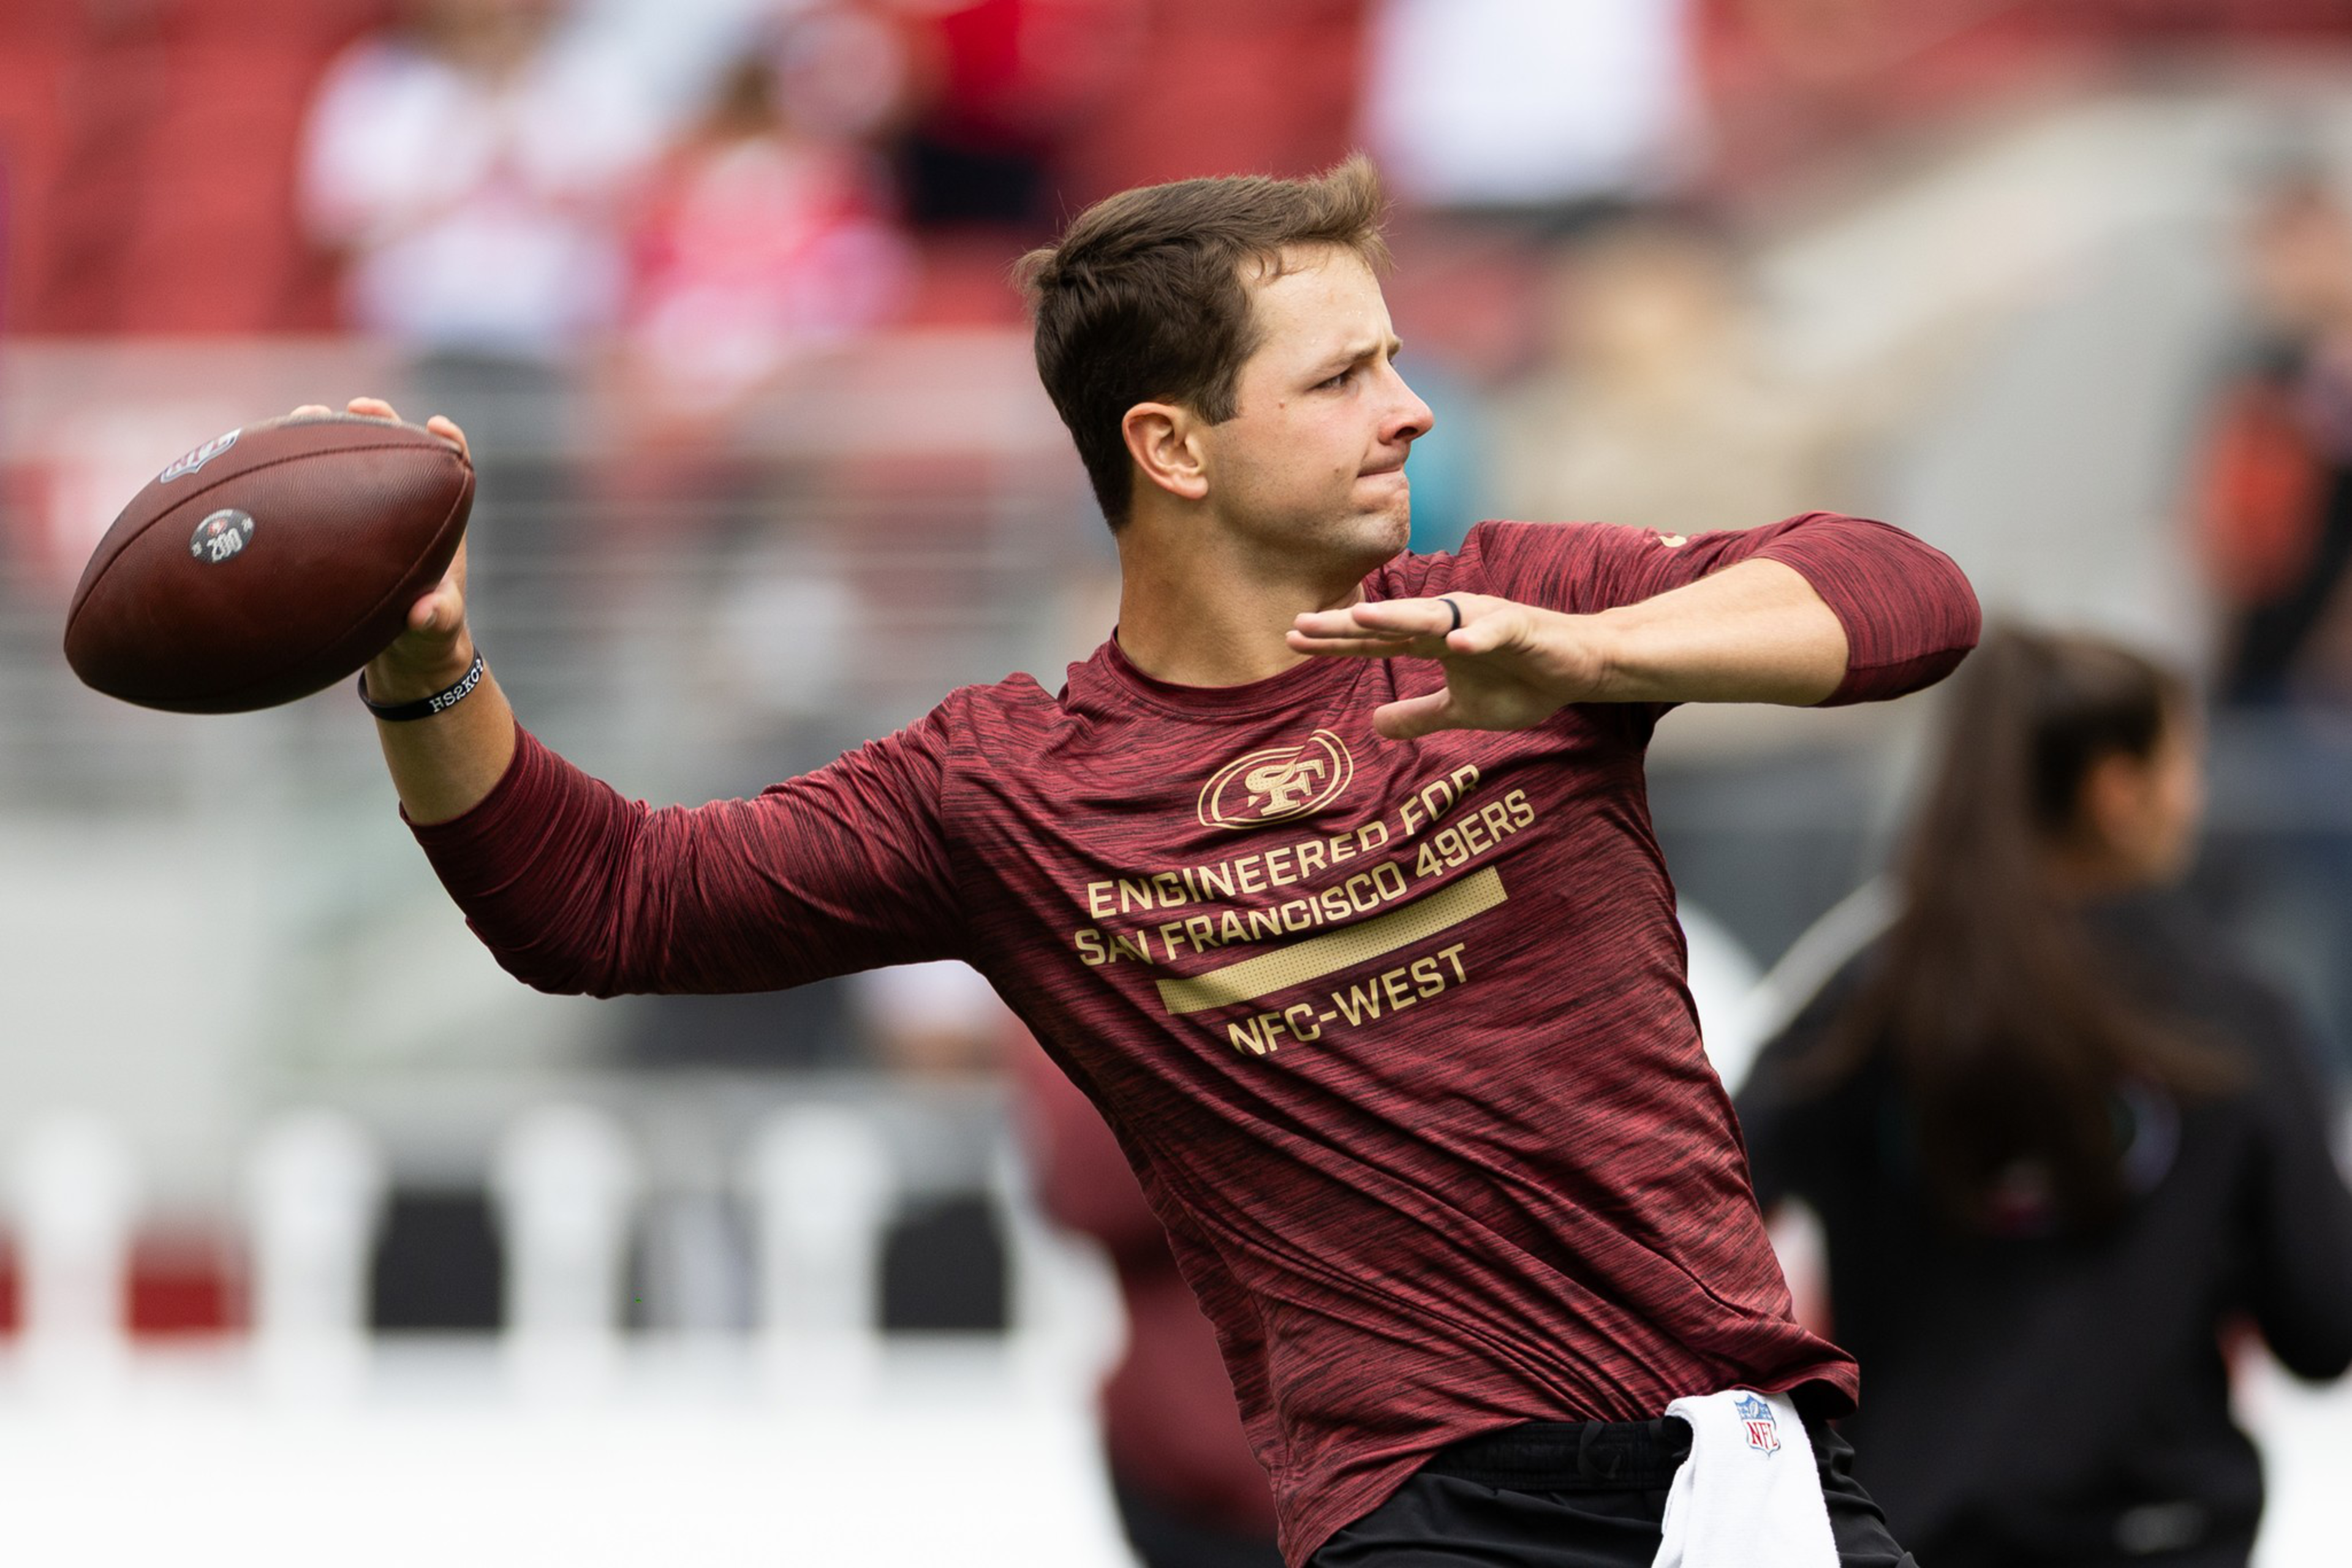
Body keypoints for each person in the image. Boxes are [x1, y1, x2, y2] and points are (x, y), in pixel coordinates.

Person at [320, 156, 1979, 1566]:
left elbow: (1904, 596)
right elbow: (600, 903)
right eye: (1335, 378)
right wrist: (424, 669)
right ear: (1171, 449)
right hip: (1433, 1515)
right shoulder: (1003, 787)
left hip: (1753, 1476)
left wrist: (1582, 657)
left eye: (1393, 360)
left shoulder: (1513, 603)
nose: (1405, 409)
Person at [1736, 628, 2352, 1568]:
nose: (2198, 796)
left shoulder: (1865, 998)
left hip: (1908, 1531)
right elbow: (2321, 1324)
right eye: (2184, 763)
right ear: (2114, 788)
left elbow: (1700, 1229)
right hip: (2162, 1536)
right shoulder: (2232, 1015)